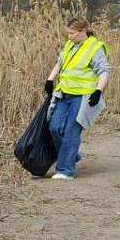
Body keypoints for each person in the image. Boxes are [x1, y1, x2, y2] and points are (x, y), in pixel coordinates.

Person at [44, 18, 110, 180]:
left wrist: (98, 91)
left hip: (82, 97)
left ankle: (66, 170)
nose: (69, 37)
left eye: (72, 33)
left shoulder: (95, 48)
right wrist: (50, 79)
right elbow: (60, 63)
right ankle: (72, 155)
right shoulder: (69, 45)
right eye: (68, 34)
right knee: (54, 127)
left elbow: (103, 72)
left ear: (83, 31)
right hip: (63, 93)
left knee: (71, 131)